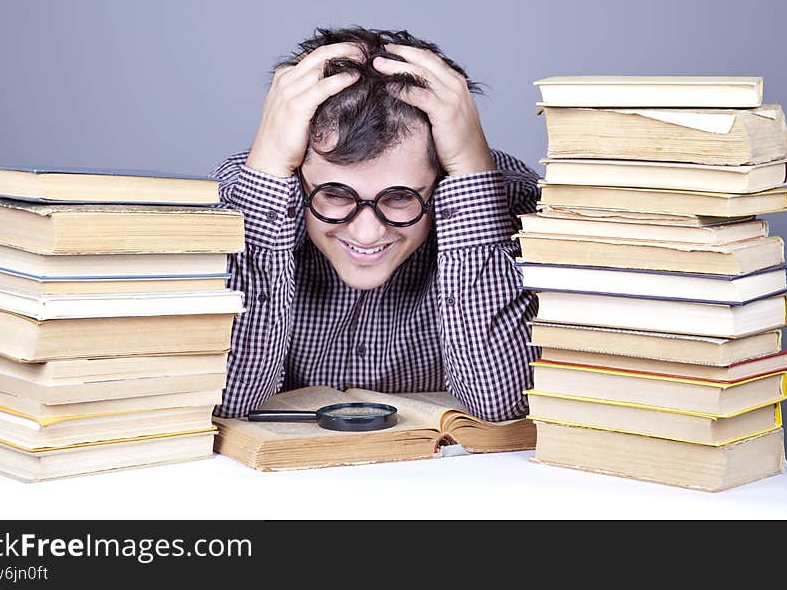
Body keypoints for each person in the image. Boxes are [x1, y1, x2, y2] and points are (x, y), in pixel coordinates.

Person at [210, 26, 540, 421]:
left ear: (441, 181)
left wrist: (471, 172)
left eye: (401, 197)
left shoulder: (504, 207)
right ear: (297, 173)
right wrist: (267, 174)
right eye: (333, 195)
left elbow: (504, 405)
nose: (366, 233)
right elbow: (221, 404)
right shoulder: (246, 201)